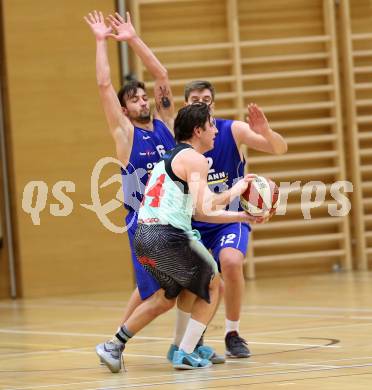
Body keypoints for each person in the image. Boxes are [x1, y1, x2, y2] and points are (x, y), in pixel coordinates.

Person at [84, 11, 225, 372]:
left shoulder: (166, 127)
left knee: (183, 289)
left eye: (143, 97)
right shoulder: (125, 135)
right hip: (145, 224)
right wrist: (101, 41)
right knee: (160, 296)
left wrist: (132, 39)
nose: (143, 102)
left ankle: (178, 344)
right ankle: (117, 343)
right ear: (124, 109)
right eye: (133, 100)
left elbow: (161, 75)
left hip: (174, 222)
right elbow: (102, 87)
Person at [101, 102, 263, 371]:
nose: (215, 131)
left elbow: (203, 214)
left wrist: (243, 217)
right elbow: (205, 207)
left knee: (168, 296)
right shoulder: (194, 159)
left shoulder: (177, 158)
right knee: (213, 282)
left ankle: (114, 345)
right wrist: (237, 190)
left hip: (146, 235)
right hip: (167, 235)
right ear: (198, 130)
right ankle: (184, 351)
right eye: (211, 125)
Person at [184, 81, 287, 357]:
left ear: (213, 104)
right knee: (194, 279)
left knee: (230, 262)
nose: (202, 103)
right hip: (193, 218)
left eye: (206, 99)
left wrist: (266, 132)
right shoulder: (180, 141)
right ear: (186, 105)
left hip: (229, 217)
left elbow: (279, 149)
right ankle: (194, 335)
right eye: (195, 99)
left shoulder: (231, 130)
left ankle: (232, 333)